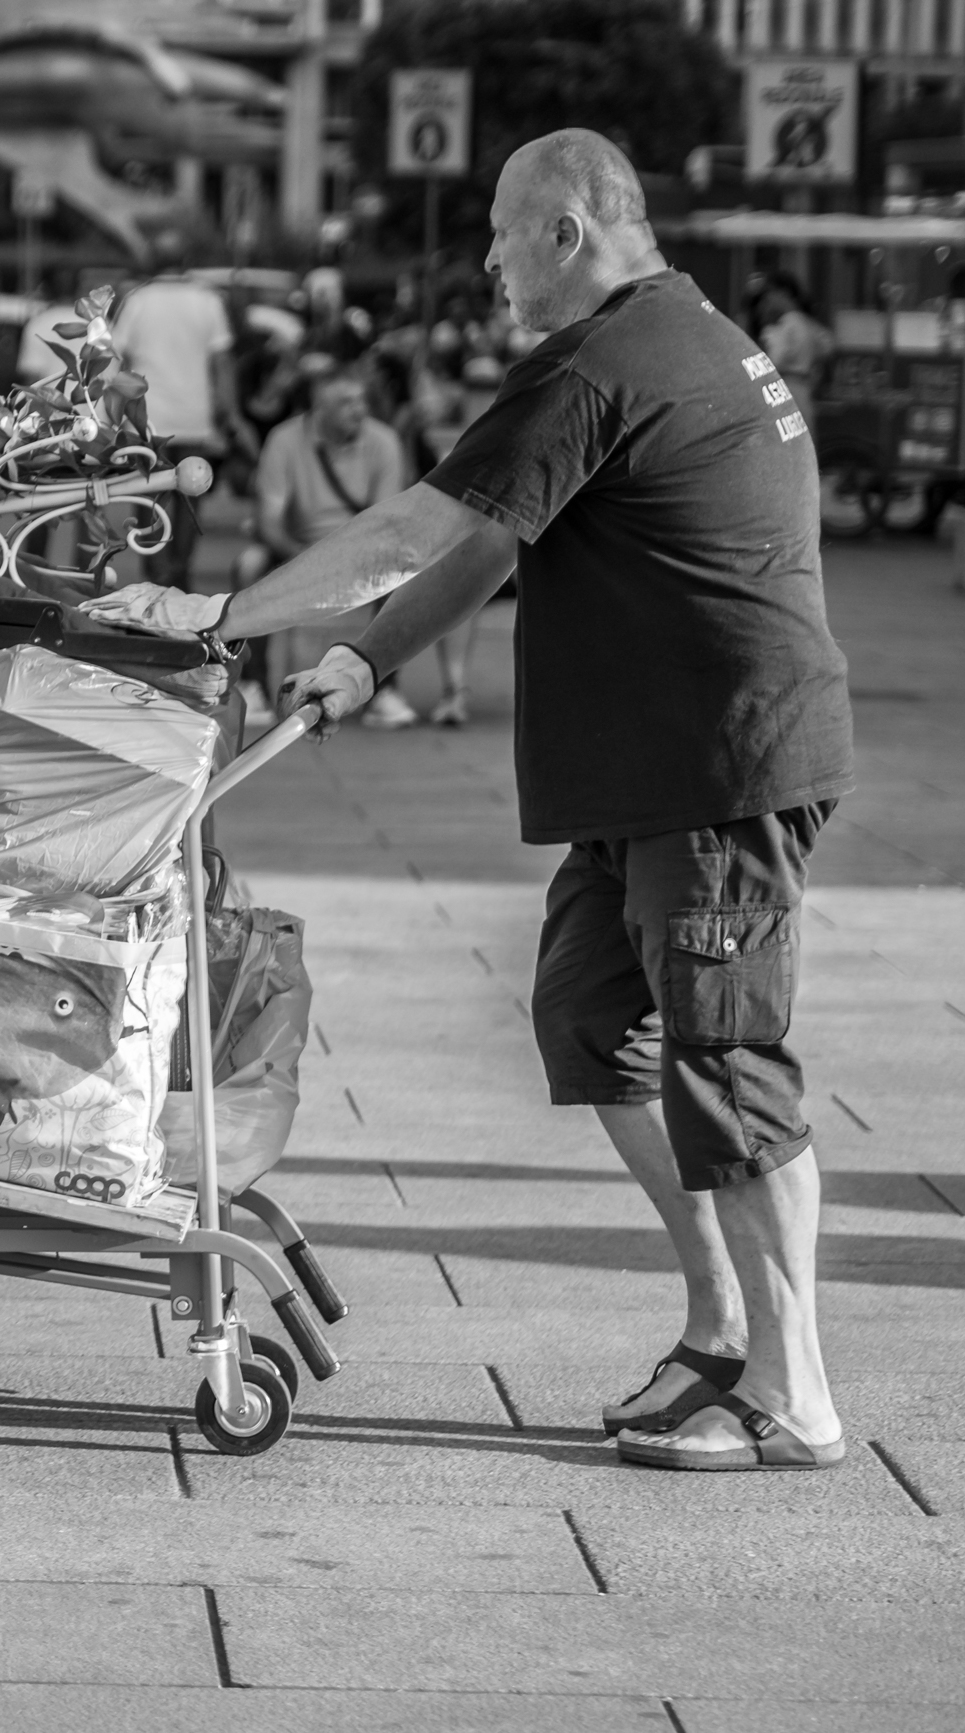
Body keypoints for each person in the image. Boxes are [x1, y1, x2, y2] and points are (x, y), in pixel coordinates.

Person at [91, 130, 855, 1473]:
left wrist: (222, 611)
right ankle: (722, 1326)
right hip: (654, 772)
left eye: (504, 233)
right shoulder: (684, 337)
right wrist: (361, 657)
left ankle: (797, 1397)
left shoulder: (601, 363)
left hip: (717, 772)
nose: (490, 260)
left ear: (567, 231)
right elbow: (496, 539)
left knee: (731, 1065)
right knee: (592, 1021)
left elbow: (414, 531)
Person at [230, 362, 409, 730]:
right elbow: (268, 520)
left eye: (361, 401)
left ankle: (386, 689)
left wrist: (347, 559)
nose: (359, 410)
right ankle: (253, 682)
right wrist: (302, 556)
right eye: (346, 403)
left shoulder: (383, 441)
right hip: (299, 546)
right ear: (319, 412)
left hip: (363, 548)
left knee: (403, 577)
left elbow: (384, 521)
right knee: (249, 565)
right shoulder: (284, 440)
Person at [110, 247, 254, 590]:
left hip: (147, 419)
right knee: (190, 497)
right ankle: (181, 570)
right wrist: (230, 414)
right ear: (186, 263)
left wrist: (113, 416)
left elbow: (120, 361)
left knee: (148, 498)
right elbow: (221, 363)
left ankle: (156, 572)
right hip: (194, 417)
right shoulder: (207, 301)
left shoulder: (138, 301)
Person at [752, 272, 833, 437]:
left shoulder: (787, 324)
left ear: (783, 294)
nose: (767, 302)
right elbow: (827, 346)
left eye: (770, 295)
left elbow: (773, 360)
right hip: (803, 387)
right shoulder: (805, 321)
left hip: (787, 386)